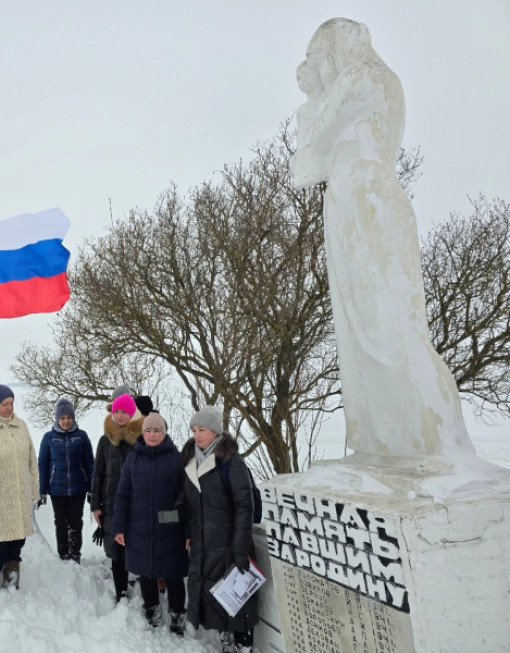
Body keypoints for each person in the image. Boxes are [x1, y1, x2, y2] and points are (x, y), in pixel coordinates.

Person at [291, 18, 475, 466]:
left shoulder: (365, 77)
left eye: (320, 58)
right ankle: (386, 440)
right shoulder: (368, 79)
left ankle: (429, 438)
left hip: (366, 198)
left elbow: (309, 156)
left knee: (386, 325)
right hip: (350, 199)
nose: (318, 69)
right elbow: (309, 167)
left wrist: (313, 102)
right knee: (359, 328)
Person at [182, 406, 258, 653]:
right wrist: (188, 534)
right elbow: (190, 505)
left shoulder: (231, 462)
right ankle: (226, 638)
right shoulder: (191, 461)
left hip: (230, 543)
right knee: (215, 595)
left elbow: (245, 506)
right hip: (205, 543)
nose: (197, 435)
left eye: (202, 430)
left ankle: (242, 645)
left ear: (215, 431)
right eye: (194, 430)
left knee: (238, 601)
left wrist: (240, 549)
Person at [111, 412, 188, 634]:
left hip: (170, 529)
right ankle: (152, 612)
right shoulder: (133, 459)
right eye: (148, 431)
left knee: (173, 575)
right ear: (143, 433)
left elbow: (186, 496)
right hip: (139, 527)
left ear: (164, 433)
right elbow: (123, 494)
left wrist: (180, 521)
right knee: (147, 573)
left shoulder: (176, 458)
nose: (152, 435)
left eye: (157, 431)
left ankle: (177, 618)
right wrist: (118, 526)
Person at [0, 384, 39, 588]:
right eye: (5, 404)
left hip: (19, 497)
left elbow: (31, 459)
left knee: (16, 541)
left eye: (11, 403)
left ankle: (12, 577)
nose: (10, 407)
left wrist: (33, 490)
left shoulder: (20, 425)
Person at [89, 387, 144, 601]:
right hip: (111, 503)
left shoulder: (141, 439)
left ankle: (140, 583)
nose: (120, 416)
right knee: (116, 549)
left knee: (135, 544)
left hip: (136, 503)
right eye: (116, 412)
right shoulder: (105, 440)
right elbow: (98, 473)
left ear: (132, 414)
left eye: (124, 412)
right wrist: (96, 505)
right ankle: (120, 590)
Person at [38, 398, 94, 563]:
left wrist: (91, 488)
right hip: (57, 489)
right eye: (62, 418)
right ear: (57, 419)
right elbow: (43, 464)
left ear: (73, 418)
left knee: (76, 521)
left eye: (69, 417)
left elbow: (90, 464)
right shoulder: (48, 438)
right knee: (60, 522)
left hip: (78, 488)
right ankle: (63, 554)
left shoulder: (81, 436)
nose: (66, 421)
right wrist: (42, 490)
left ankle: (75, 553)